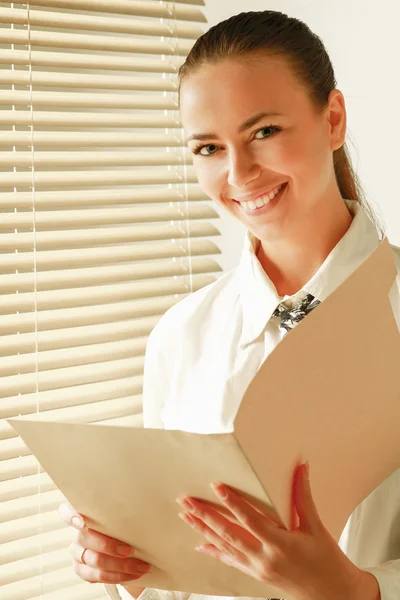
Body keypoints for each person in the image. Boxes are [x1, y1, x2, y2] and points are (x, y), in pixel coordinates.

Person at [59, 9, 400, 600]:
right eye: (208, 148)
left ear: (333, 118)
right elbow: (181, 561)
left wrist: (357, 589)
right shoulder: (180, 335)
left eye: (264, 131)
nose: (238, 173)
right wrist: (125, 568)